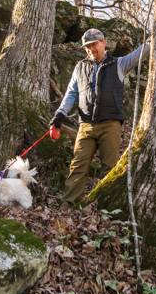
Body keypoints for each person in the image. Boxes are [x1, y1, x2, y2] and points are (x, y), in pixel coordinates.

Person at [50, 28, 150, 210]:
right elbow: (71, 93)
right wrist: (60, 114)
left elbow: (139, 54)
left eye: (93, 45)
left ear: (103, 43)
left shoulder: (119, 64)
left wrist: (152, 40)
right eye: (87, 47)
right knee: (77, 167)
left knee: (110, 169)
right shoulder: (80, 67)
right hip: (86, 126)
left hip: (110, 125)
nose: (90, 49)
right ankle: (66, 206)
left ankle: (107, 210)